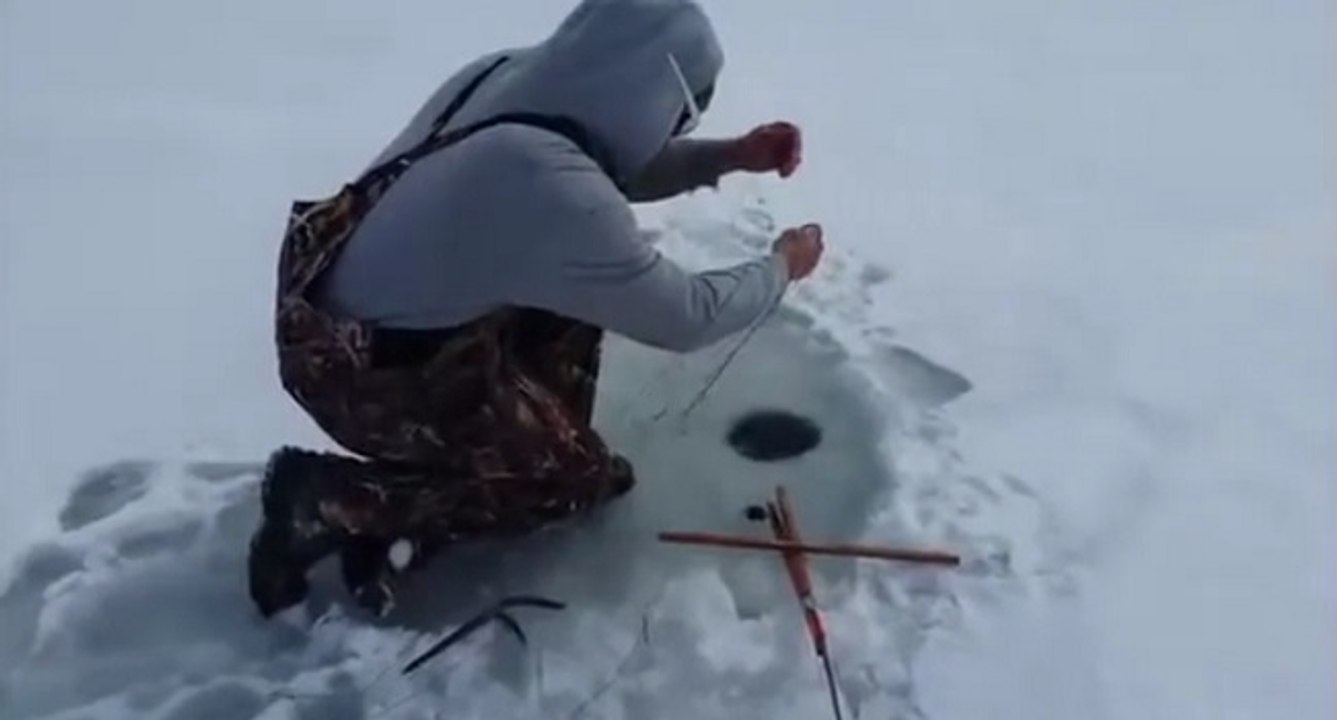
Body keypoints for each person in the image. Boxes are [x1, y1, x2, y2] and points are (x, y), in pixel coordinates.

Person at [248, 0, 826, 618]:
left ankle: (441, 488)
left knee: (580, 293)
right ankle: (334, 501)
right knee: (569, 482)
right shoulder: (546, 187)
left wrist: (732, 155)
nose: (674, 132)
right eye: (679, 117)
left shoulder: (509, 76)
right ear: (649, 94)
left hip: (345, 302)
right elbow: (685, 316)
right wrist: (781, 265)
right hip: (357, 371)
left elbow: (606, 161)